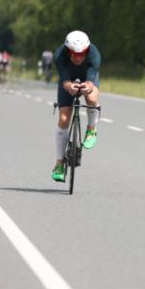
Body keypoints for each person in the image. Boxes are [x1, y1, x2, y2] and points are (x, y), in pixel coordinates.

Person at [51, 30, 101, 182]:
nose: (78, 57)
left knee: (91, 98)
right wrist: (69, 86)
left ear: (87, 50)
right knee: (64, 119)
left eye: (82, 53)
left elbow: (91, 80)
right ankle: (59, 163)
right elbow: (65, 80)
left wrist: (88, 86)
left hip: (87, 78)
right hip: (68, 80)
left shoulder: (94, 54)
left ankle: (91, 129)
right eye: (74, 54)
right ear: (68, 51)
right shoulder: (59, 55)